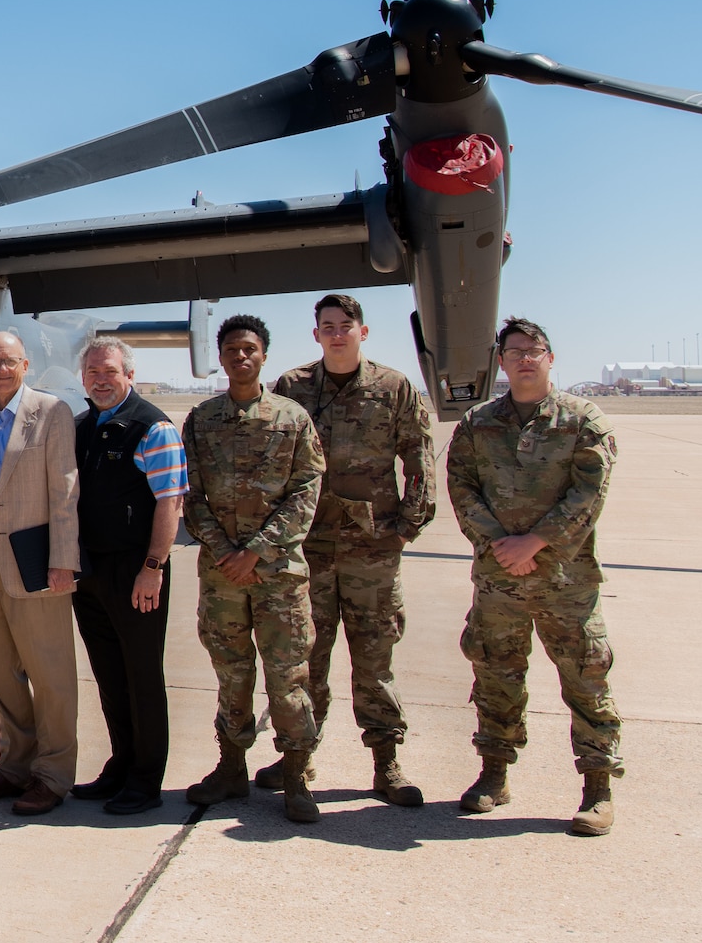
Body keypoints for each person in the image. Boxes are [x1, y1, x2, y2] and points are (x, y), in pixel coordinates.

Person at [446, 318, 621, 835]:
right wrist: (500, 545)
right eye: (515, 350)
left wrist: (535, 543)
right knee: (496, 677)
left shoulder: (584, 421)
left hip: (566, 581)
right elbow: (461, 487)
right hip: (499, 579)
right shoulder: (478, 424)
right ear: (500, 361)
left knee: (587, 679)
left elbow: (589, 493)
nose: (526, 358)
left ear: (550, 358)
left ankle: (598, 788)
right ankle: (493, 774)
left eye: (535, 350)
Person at [266, 293, 437, 807]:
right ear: (316, 334)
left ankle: (386, 763)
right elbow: (274, 459)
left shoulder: (393, 387)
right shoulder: (292, 387)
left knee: (374, 658)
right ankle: (300, 754)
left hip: (373, 547)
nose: (337, 333)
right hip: (309, 547)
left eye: (346, 325)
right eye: (327, 326)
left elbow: (420, 455)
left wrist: (408, 524)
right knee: (305, 657)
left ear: (363, 332)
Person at [181, 315, 326, 825]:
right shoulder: (201, 420)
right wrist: (225, 550)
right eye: (232, 350)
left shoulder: (292, 418)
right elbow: (191, 494)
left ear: (264, 355)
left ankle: (296, 774)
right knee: (232, 674)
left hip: (279, 575)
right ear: (220, 358)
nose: (241, 357)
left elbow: (307, 489)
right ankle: (232, 766)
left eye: (250, 349)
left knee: (288, 677)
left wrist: (257, 550)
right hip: (222, 576)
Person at [0, 331, 82, 816]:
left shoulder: (51, 413)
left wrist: (64, 560)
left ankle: (53, 774)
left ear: (25, 365)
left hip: (35, 557)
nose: (1, 369)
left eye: (10, 361)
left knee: (50, 673)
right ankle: (15, 764)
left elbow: (66, 492)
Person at [69, 337, 188, 816]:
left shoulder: (152, 428)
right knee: (109, 675)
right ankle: (120, 764)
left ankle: (145, 779)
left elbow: (170, 502)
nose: (100, 379)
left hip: (136, 570)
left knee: (141, 676)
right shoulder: (82, 428)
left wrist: (154, 567)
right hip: (90, 571)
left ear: (129, 376)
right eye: (93, 372)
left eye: (110, 372)